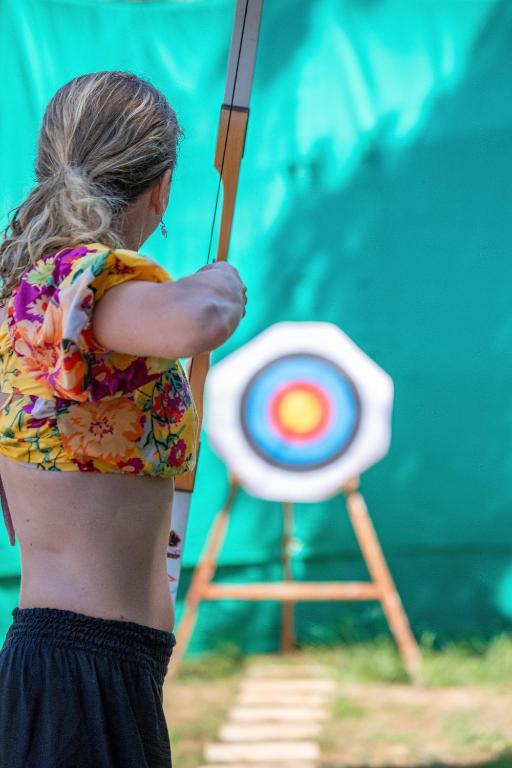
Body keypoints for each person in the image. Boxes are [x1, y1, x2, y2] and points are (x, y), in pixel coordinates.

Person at [0, 71, 247, 767]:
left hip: (88, 667)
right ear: (162, 187)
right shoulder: (83, 281)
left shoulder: (35, 294)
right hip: (83, 676)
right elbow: (202, 317)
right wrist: (223, 279)